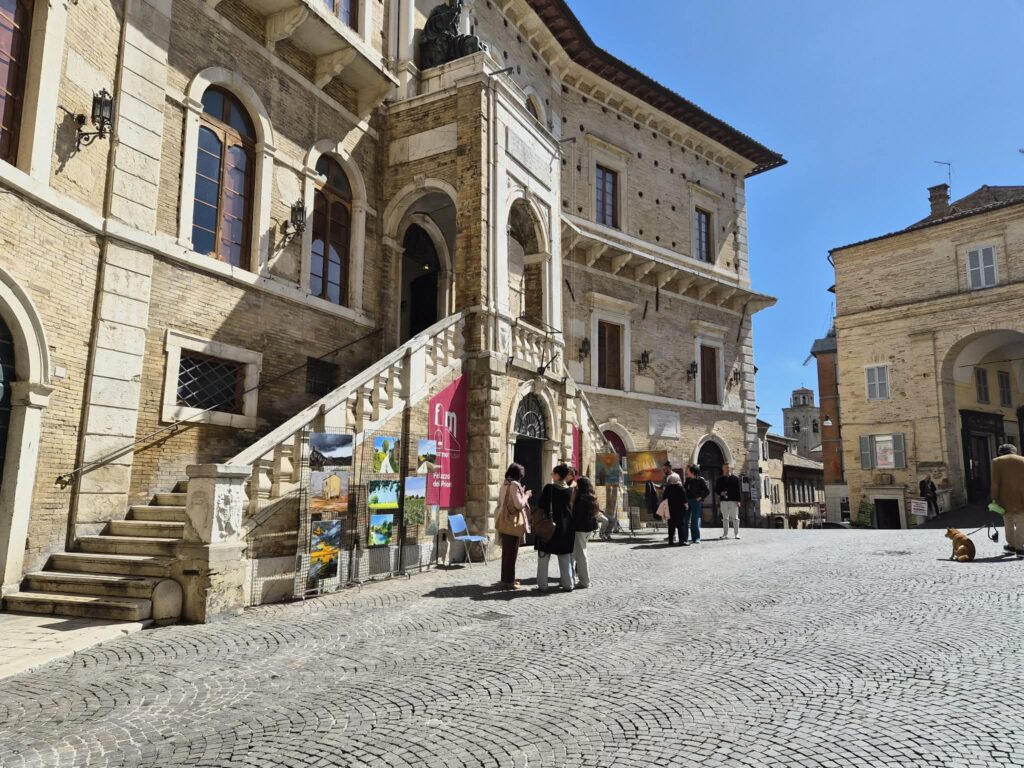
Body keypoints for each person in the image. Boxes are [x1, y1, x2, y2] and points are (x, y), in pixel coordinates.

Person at [536, 464, 576, 591]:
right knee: (565, 557)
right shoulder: (571, 491)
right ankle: (568, 584)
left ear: (558, 475)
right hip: (565, 528)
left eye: (553, 473)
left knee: (543, 557)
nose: (551, 475)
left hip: (548, 527)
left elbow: (540, 505)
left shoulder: (549, 488)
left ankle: (543, 586)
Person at [495, 463, 531, 590]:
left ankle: (505, 579)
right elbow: (519, 504)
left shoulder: (505, 484)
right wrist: (526, 495)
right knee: (511, 553)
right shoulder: (514, 485)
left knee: (506, 552)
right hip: (513, 522)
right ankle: (509, 581)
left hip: (504, 520)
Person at [991, 443, 1024, 557]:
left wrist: (994, 498)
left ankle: (1011, 545)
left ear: (1001, 452)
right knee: (1021, 522)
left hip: (1005, 498)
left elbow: (995, 483)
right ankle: (1020, 548)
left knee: (1008, 522)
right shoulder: (1022, 460)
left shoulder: (997, 461)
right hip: (1022, 497)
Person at [571, 476, 600, 587]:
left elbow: (576, 515)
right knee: (581, 553)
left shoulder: (580, 498)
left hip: (580, 529)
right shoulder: (592, 497)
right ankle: (579, 579)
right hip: (588, 529)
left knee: (581, 555)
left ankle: (585, 581)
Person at [661, 472, 689, 546]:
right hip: (680, 509)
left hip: (670, 509)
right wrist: (686, 505)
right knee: (680, 525)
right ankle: (682, 541)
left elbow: (664, 498)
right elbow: (684, 498)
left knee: (671, 525)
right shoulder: (680, 488)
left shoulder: (668, 488)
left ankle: (670, 541)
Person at [684, 464, 710, 544]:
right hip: (687, 501)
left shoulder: (700, 480)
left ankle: (696, 538)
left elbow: (707, 491)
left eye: (688, 470)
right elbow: (684, 490)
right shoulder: (688, 480)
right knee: (685, 520)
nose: (686, 472)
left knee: (694, 521)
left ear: (692, 472)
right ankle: (684, 539)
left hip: (696, 502)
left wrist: (700, 497)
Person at [716, 463, 742, 540]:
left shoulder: (735, 478)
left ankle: (736, 534)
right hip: (723, 501)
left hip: (733, 501)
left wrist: (738, 500)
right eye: (726, 467)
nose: (727, 469)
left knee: (735, 518)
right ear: (723, 469)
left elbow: (738, 490)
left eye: (728, 467)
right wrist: (721, 493)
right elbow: (716, 489)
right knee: (725, 518)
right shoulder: (719, 479)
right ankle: (725, 534)